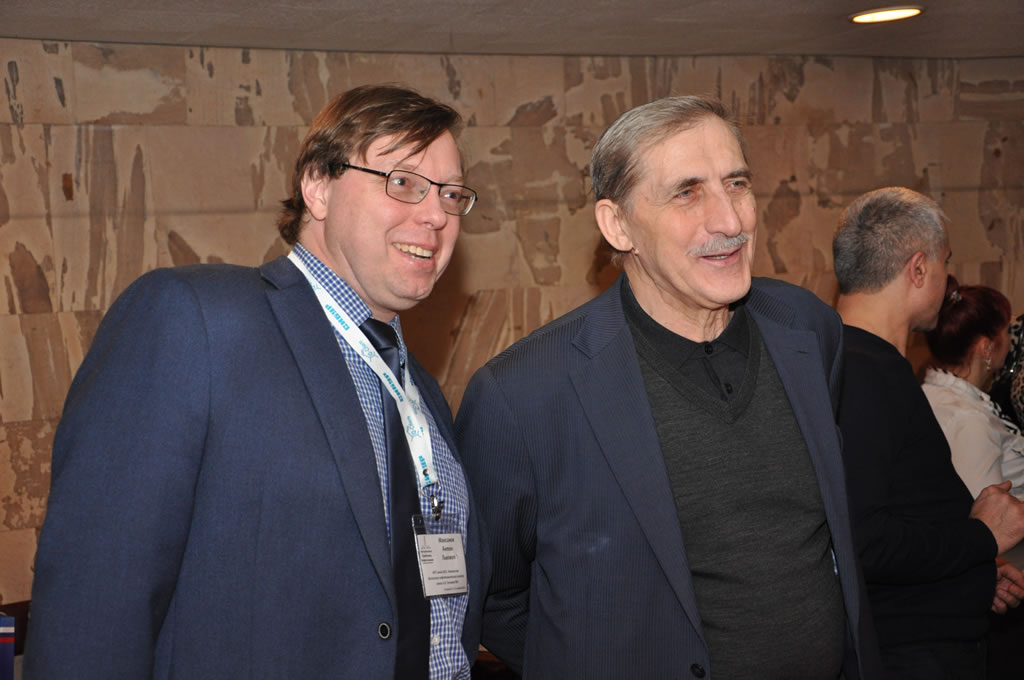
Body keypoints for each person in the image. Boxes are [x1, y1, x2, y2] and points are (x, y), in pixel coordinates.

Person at [26, 84, 486, 679]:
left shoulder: (421, 392)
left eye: (451, 194)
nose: (436, 215)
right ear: (318, 186)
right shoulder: (197, 322)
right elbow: (95, 597)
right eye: (402, 182)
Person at [455, 95, 879, 679]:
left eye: (736, 184)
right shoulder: (524, 394)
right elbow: (492, 597)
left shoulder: (808, 330)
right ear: (617, 225)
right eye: (687, 193)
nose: (730, 221)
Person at [833, 186, 1024, 678]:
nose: (946, 280)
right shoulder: (861, 372)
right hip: (912, 655)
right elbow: (865, 541)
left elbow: (903, 511)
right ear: (918, 270)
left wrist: (973, 573)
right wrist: (981, 536)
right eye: (945, 263)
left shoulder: (862, 362)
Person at [922, 276, 1024, 498]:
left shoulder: (932, 394)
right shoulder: (969, 419)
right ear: (986, 348)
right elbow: (987, 511)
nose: (1010, 341)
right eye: (1006, 332)